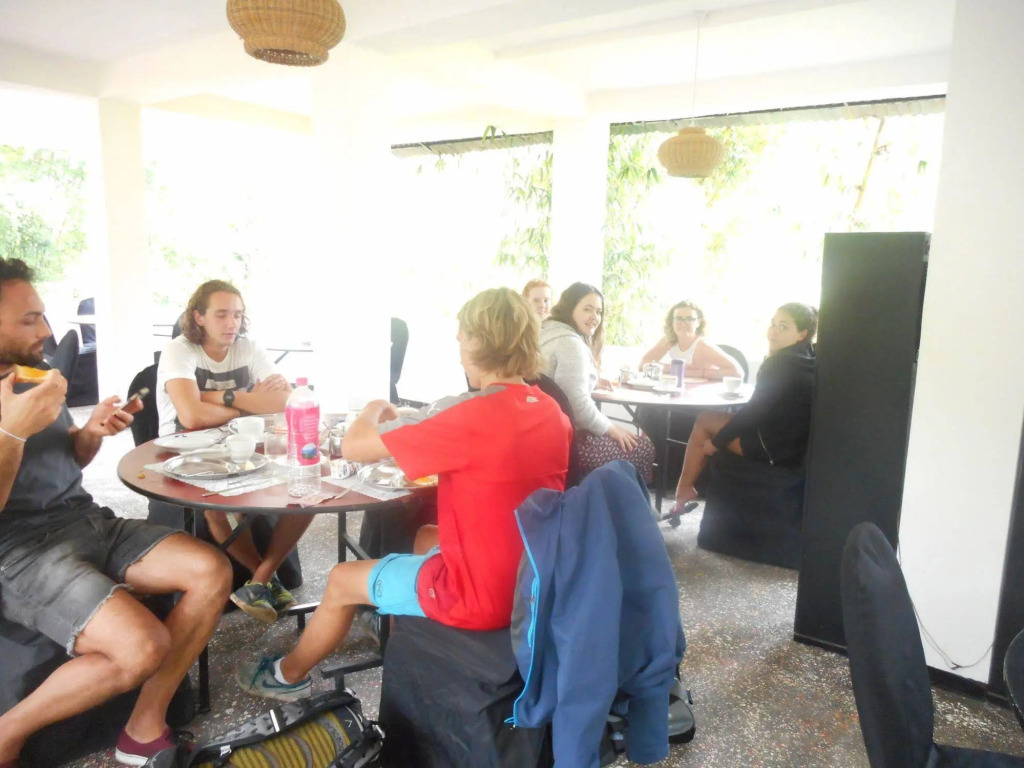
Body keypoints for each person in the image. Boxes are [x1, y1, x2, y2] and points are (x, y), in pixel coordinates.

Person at [235, 287, 571, 701]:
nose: (459, 353)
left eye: (461, 341)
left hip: (480, 597)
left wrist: (374, 407)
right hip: (532, 577)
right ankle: (395, 631)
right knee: (426, 536)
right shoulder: (550, 410)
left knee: (341, 579)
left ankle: (286, 676)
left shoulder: (467, 414)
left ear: (476, 344)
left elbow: (354, 446)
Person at [0, 257, 232, 767]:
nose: (46, 332)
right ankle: (6, 735)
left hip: (83, 518)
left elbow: (67, 461)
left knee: (211, 569)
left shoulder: (32, 376)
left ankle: (142, 727)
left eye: (42, 316)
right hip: (18, 550)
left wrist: (88, 434)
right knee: (141, 646)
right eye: (29, 320)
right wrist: (11, 430)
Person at [157, 279, 312, 624]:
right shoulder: (180, 351)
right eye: (222, 314)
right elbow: (191, 416)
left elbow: (285, 400)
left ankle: (260, 580)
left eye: (238, 315)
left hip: (243, 445)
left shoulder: (248, 348)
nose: (232, 323)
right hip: (185, 450)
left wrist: (223, 398)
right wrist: (249, 404)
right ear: (198, 317)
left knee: (306, 490)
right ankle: (265, 577)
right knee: (218, 509)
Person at [668, 302, 817, 516]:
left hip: (771, 447)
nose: (773, 331)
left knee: (704, 421)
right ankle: (684, 491)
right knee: (708, 418)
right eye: (773, 323)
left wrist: (716, 443)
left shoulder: (781, 363)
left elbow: (754, 411)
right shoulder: (807, 358)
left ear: (802, 333)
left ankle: (683, 492)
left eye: (783, 327)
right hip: (790, 445)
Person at [539, 282, 655, 480]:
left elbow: (559, 385)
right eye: (587, 309)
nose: (595, 317)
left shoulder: (546, 332)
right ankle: (616, 500)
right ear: (569, 308)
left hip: (543, 431)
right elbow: (577, 407)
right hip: (569, 442)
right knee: (643, 448)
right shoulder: (571, 344)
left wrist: (591, 380)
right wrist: (612, 428)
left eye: (599, 311)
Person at [639, 300, 741, 380]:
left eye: (689, 319)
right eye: (678, 318)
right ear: (672, 321)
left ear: (698, 323)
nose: (683, 323)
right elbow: (642, 364)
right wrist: (672, 368)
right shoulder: (668, 340)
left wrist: (701, 373)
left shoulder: (703, 346)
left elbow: (737, 373)